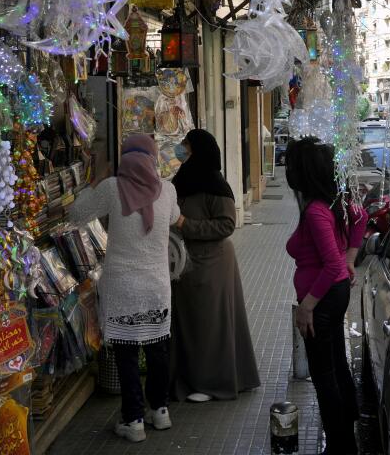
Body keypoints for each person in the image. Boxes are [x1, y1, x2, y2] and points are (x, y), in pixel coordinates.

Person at [68, 134, 179, 443]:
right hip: (156, 285)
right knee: (158, 350)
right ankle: (160, 410)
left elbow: (76, 215)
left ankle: (134, 420)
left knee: (128, 355)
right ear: (153, 157)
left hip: (122, 287)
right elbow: (171, 217)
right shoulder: (167, 190)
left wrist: (95, 181)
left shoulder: (112, 189)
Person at [285, 138, 367, 455]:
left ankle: (340, 445)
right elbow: (360, 216)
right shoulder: (334, 202)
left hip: (322, 300)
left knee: (324, 376)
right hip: (334, 295)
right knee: (336, 364)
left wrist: (306, 308)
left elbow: (331, 263)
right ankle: (348, 427)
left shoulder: (318, 210)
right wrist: (350, 258)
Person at [169, 129, 260, 403]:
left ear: (199, 150)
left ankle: (211, 383)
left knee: (210, 323)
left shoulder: (215, 185)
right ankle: (192, 378)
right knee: (190, 322)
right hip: (185, 262)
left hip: (212, 263)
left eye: (186, 144)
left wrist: (187, 224)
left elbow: (226, 224)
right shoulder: (183, 179)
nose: (181, 148)